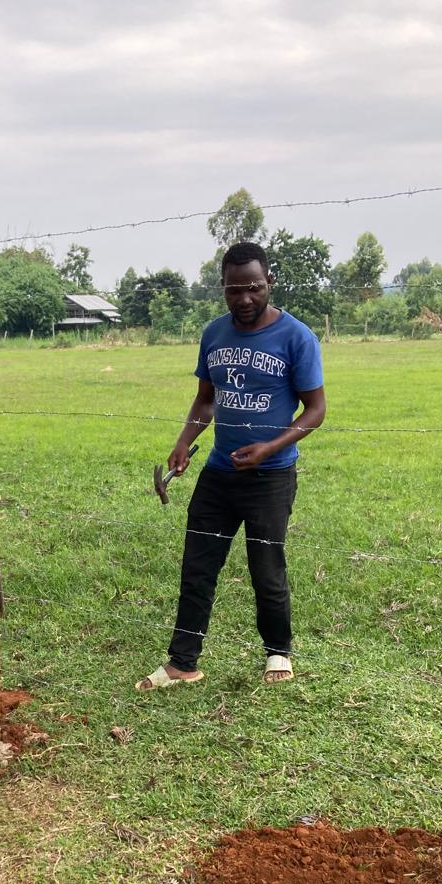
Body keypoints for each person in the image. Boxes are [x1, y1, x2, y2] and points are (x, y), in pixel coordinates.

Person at [136, 241, 325, 691]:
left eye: (254, 287)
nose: (244, 298)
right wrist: (184, 442)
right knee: (197, 568)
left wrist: (269, 448)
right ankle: (183, 663)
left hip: (270, 477)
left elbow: (315, 410)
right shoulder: (214, 334)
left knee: (266, 569)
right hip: (219, 474)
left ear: (269, 282)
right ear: (222, 287)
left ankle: (278, 652)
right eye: (234, 289)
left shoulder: (297, 337)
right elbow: (206, 399)